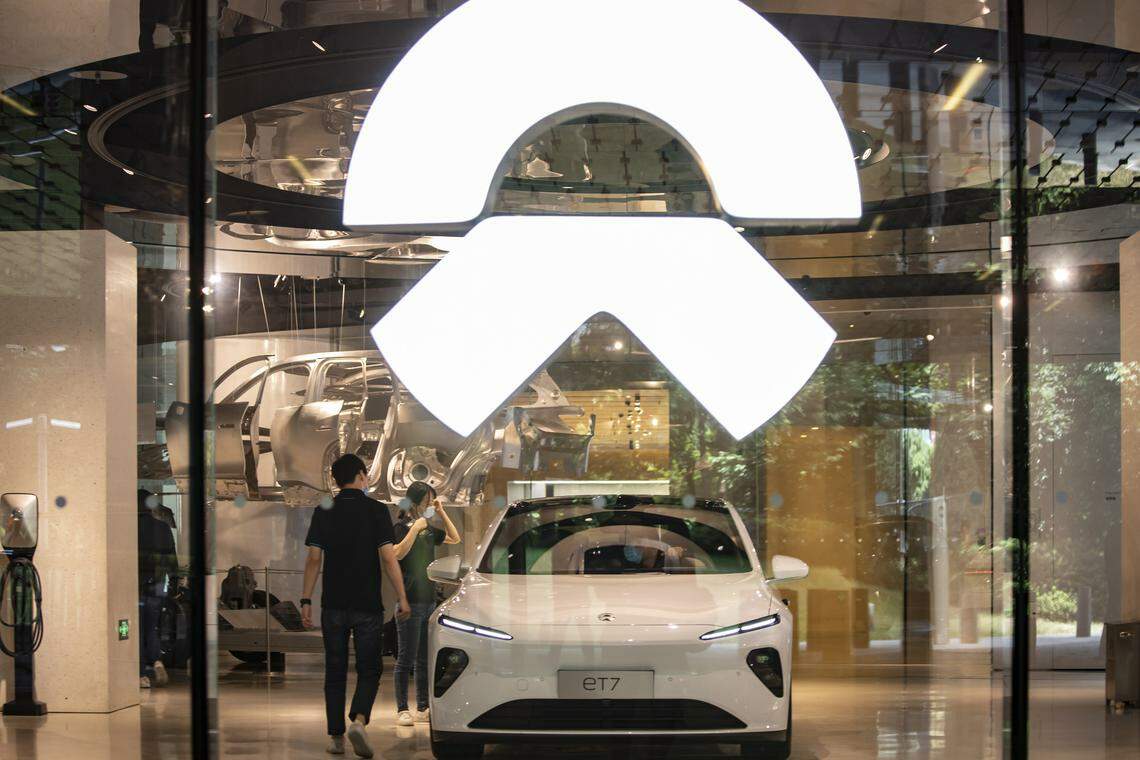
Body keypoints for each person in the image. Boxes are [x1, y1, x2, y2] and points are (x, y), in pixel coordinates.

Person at [301, 454, 411, 759]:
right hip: (367, 605)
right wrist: (402, 597)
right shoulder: (376, 510)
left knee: (334, 672)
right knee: (369, 668)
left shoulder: (324, 510)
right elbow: (389, 559)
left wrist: (306, 599)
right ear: (362, 476)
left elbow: (313, 559)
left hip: (333, 604)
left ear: (336, 480)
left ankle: (336, 738)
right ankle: (359, 720)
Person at [392, 481, 461, 726]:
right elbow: (397, 553)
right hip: (409, 600)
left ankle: (422, 706)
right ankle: (402, 709)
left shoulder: (429, 528)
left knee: (423, 659)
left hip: (429, 601)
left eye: (432, 500)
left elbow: (454, 537)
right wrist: (415, 528)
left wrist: (441, 512)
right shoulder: (401, 526)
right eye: (427, 500)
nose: (428, 505)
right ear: (416, 500)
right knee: (405, 658)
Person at [138, 489, 178, 689]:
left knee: (135, 628)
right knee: (152, 626)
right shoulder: (162, 528)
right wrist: (176, 583)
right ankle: (156, 660)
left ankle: (142, 673)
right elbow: (172, 558)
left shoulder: (129, 528)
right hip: (157, 585)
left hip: (135, 586)